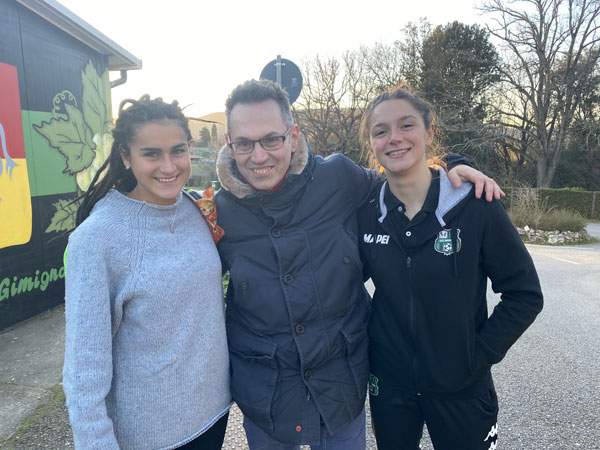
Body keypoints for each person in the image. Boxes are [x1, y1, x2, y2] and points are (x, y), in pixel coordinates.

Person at [214, 79, 502, 449]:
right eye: (244, 143)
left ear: (293, 136)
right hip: (265, 394)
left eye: (271, 139)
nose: (259, 156)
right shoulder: (216, 213)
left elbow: (402, 176)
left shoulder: (337, 177)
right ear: (229, 144)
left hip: (339, 387)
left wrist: (450, 166)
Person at [357, 87, 543, 450]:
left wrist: (477, 356)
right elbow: (342, 279)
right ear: (371, 144)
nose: (394, 138)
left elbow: (525, 295)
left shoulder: (476, 204)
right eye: (381, 131)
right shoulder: (365, 212)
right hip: (389, 386)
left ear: (429, 132)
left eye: (406, 125)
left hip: (463, 387)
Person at [62, 95, 231, 450]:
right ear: (126, 157)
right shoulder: (97, 240)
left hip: (214, 414)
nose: (169, 166)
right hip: (151, 436)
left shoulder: (196, 209)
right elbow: (84, 370)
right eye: (151, 154)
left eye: (178, 151)